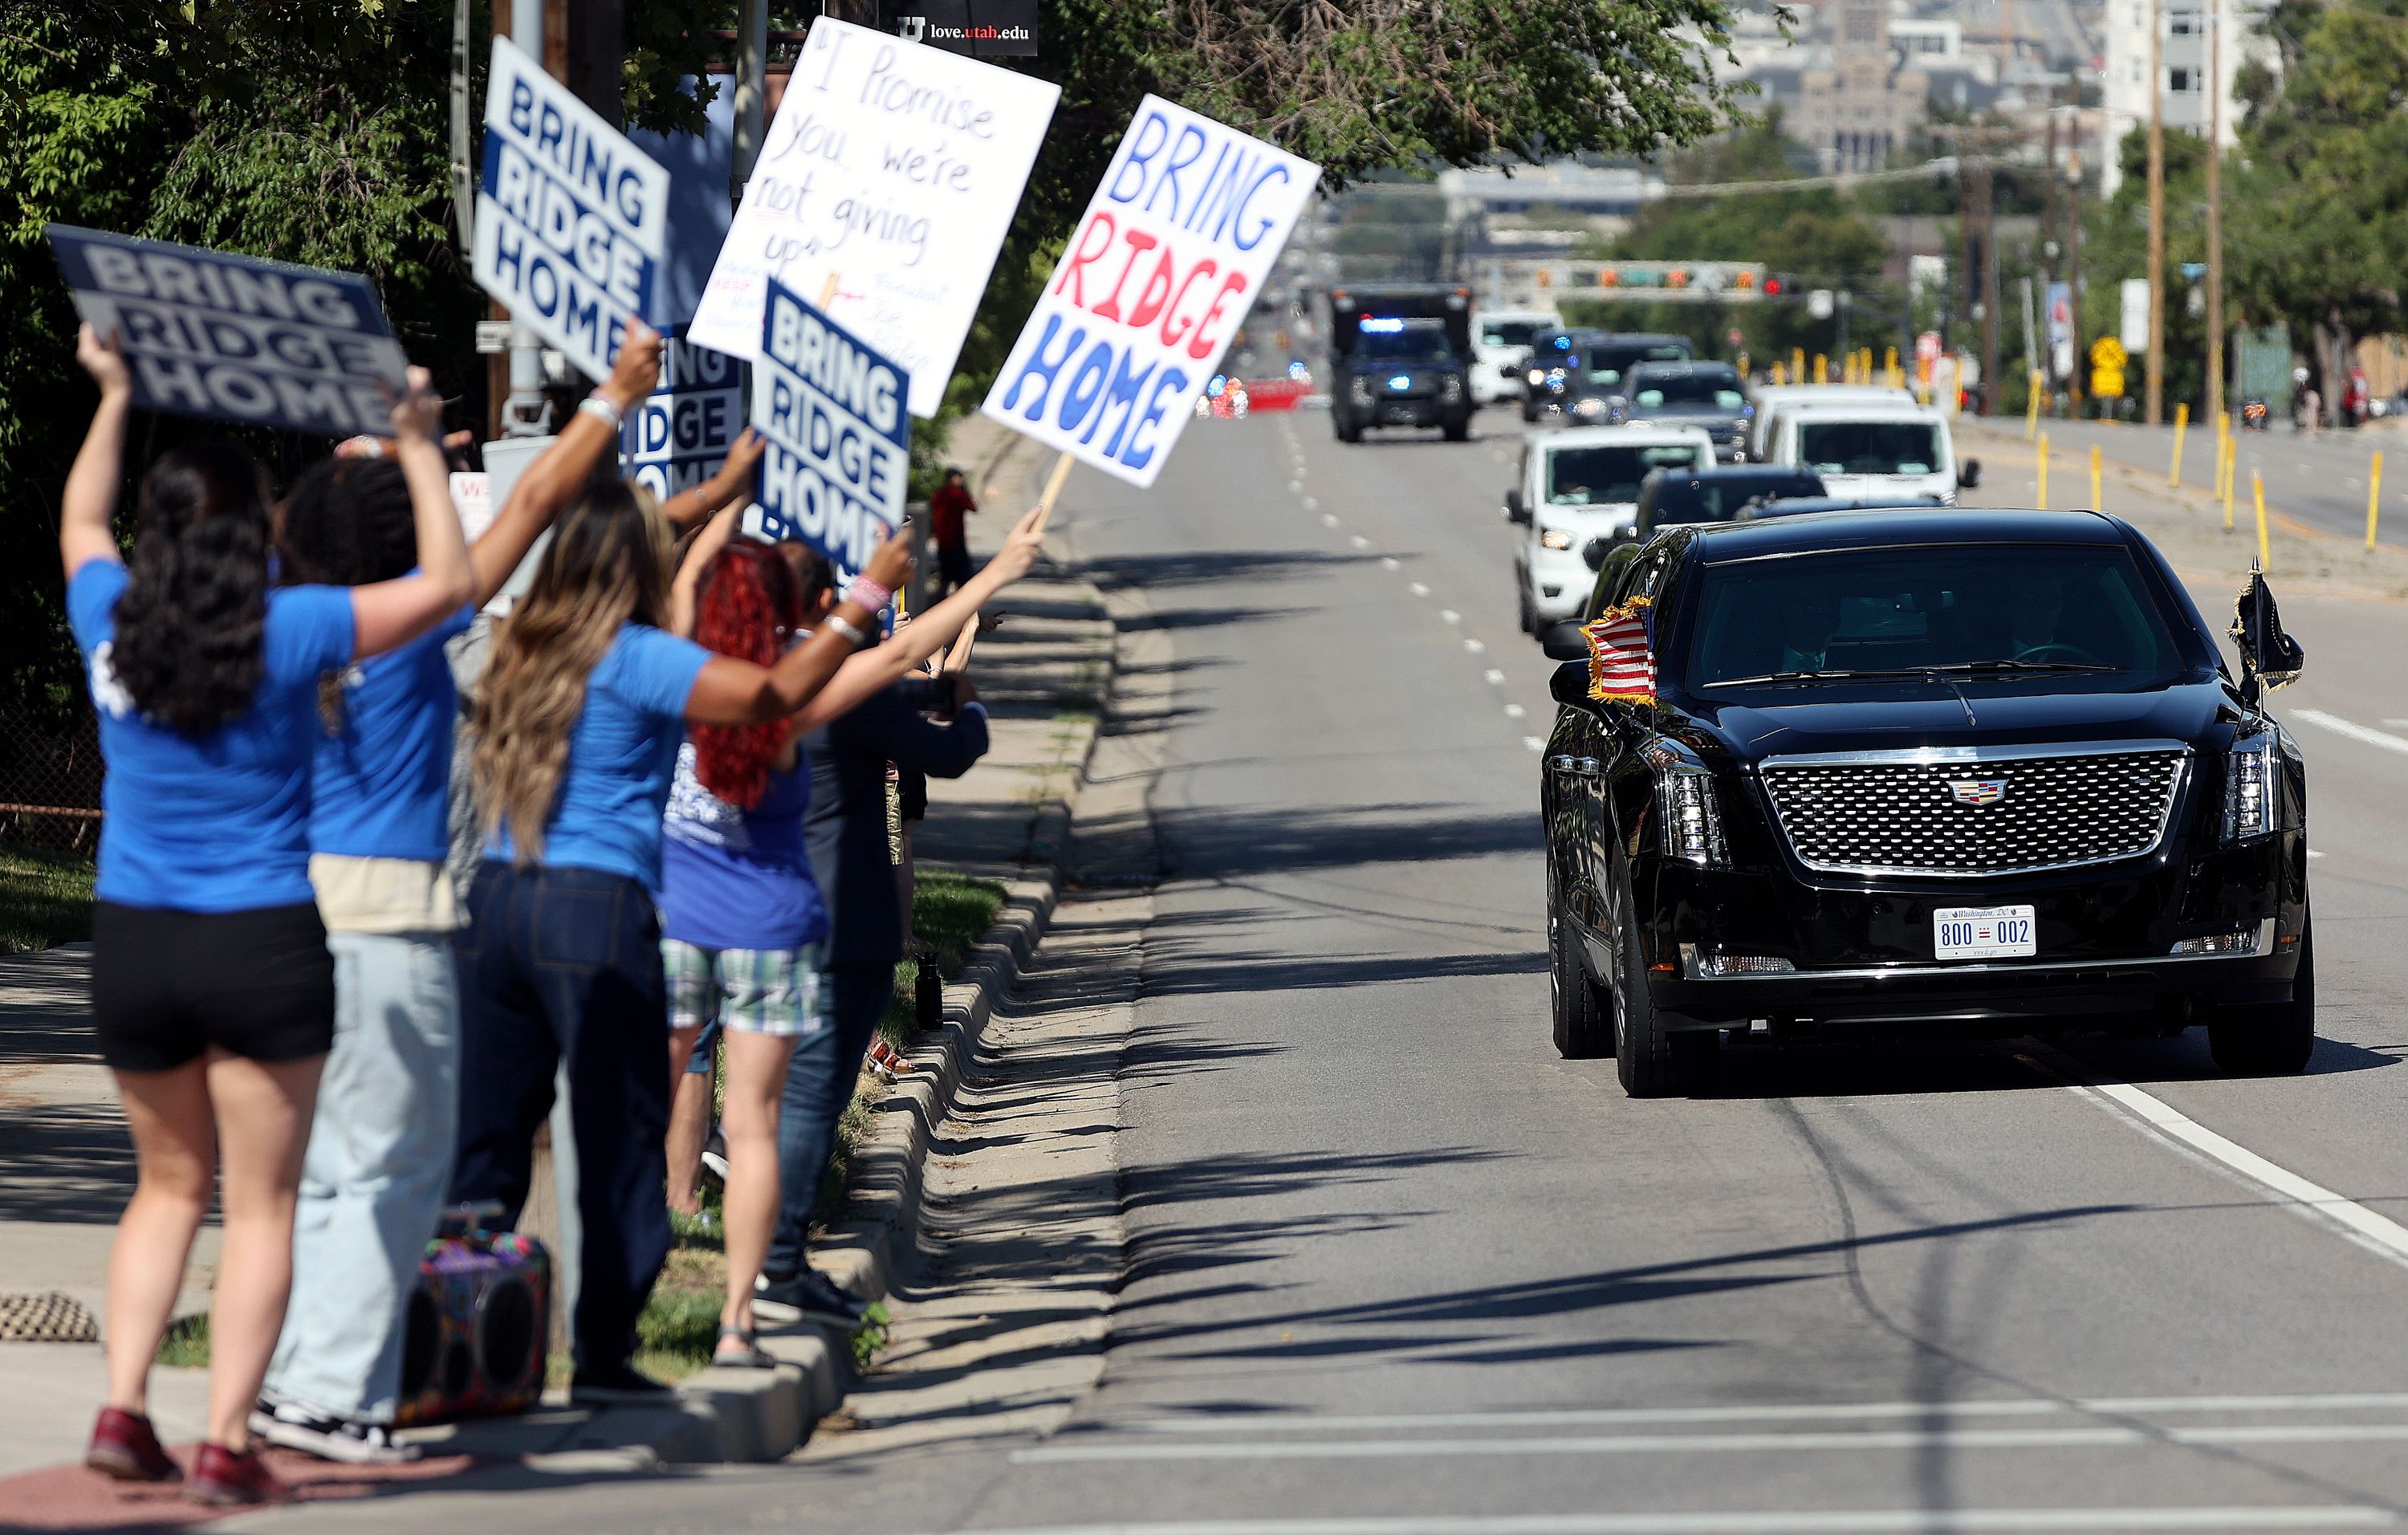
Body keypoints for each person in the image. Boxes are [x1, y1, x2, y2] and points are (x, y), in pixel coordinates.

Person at [63, 328, 474, 1505]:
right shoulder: (292, 631)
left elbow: (80, 524)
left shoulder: (111, 623)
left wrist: (115, 393)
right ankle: (226, 1439)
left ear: (160, 532)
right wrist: (417, 450)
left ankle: (124, 1405)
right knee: (265, 1205)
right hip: (264, 941)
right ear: (258, 533)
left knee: (166, 1192)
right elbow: (446, 586)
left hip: (134, 940)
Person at [248, 326, 668, 1464]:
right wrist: (598, 405)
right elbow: (527, 505)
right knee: (392, 1174)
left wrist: (376, 462)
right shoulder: (402, 628)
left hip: (285, 918)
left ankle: (295, 1379)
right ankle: (338, 1394)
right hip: (390, 926)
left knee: (315, 1173)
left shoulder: (272, 626)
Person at [446, 425, 930, 1403]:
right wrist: (866, 596)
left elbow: (600, 536)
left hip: (495, 904)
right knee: (621, 1128)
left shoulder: (519, 638)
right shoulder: (642, 661)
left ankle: (466, 1335)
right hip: (598, 912)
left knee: (490, 1133)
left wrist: (719, 495)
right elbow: (773, 692)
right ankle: (605, 1353)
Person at [661, 511, 1047, 1352]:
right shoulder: (801, 689)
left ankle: (727, 1254)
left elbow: (902, 675)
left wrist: (730, 490)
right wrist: (986, 601)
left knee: (741, 1101)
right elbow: (916, 693)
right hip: (820, 921)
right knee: (793, 1110)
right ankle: (774, 1270)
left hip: (695, 918)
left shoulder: (700, 671)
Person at [752, 544, 1010, 1327]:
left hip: (774, 900)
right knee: (815, 1094)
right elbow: (949, 752)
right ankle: (781, 1259)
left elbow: (897, 682)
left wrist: (934, 682)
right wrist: (969, 706)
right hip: (847, 907)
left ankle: (769, 1251)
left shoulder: (761, 671)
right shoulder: (845, 685)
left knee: (784, 1092)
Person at [929, 466, 977, 599]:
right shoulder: (956, 494)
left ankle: (938, 605)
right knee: (962, 578)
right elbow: (972, 507)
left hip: (942, 541)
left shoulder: (938, 493)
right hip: (955, 541)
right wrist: (965, 489)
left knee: (946, 577)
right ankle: (961, 607)